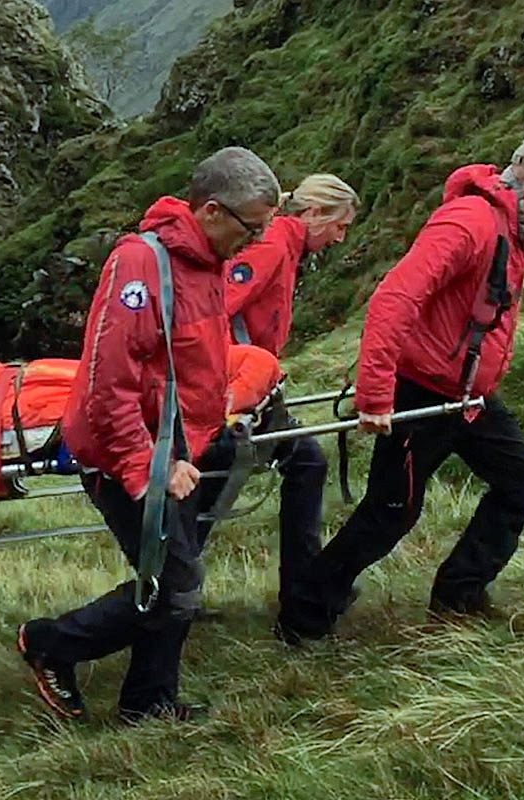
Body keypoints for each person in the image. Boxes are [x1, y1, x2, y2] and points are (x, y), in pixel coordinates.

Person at [278, 132, 524, 642]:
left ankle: (459, 599)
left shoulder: (511, 227)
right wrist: (375, 394)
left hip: (468, 399)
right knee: (391, 513)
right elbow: (394, 299)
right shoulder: (470, 222)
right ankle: (302, 619)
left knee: (521, 484)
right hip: (424, 392)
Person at [17, 146, 279, 723]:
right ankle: (52, 643)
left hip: (178, 446)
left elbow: (186, 362)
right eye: (252, 227)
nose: (258, 241)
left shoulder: (206, 264)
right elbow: (108, 383)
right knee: (174, 587)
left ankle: (148, 702)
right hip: (127, 453)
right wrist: (146, 468)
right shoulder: (141, 265)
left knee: (175, 578)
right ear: (212, 211)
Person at [222, 174, 359, 614]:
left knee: (297, 466)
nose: (340, 238)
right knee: (306, 463)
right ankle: (303, 596)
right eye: (339, 226)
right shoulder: (272, 247)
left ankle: (304, 591)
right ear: (314, 213)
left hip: (251, 382)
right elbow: (214, 310)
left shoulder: (284, 245)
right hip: (239, 387)